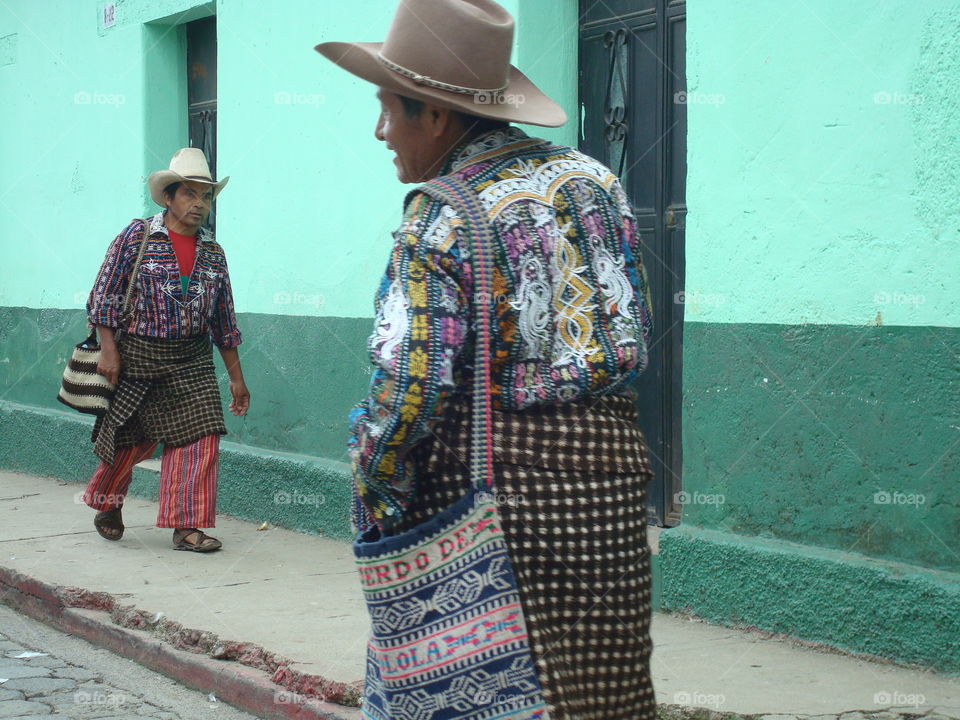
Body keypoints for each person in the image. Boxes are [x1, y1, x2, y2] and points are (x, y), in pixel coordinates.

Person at [316, 0, 657, 717]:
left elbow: (411, 389)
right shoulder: (595, 182)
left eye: (388, 110)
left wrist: (375, 487)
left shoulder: (440, 213)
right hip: (611, 493)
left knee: (470, 693)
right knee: (598, 698)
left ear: (436, 117)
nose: (380, 132)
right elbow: (632, 324)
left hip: (488, 500)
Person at [82, 148, 249, 553]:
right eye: (190, 194)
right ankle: (107, 502)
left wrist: (237, 378)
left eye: (205, 196)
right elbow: (104, 295)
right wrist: (108, 350)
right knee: (127, 441)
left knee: (201, 437)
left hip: (192, 360)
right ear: (169, 198)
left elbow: (223, 319)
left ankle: (187, 527)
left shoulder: (213, 254)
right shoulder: (136, 236)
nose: (199, 204)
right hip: (137, 355)